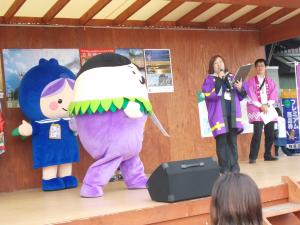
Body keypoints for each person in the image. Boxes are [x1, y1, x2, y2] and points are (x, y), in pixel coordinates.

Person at [202, 55, 247, 174]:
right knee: (222, 142)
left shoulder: (232, 77)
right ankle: (224, 167)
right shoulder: (209, 80)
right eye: (216, 63)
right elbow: (209, 95)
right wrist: (220, 80)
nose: (219, 64)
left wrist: (240, 87)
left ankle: (234, 167)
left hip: (232, 114)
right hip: (218, 115)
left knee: (232, 141)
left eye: (220, 62)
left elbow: (242, 95)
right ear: (212, 67)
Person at [247, 59, 278, 163]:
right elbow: (251, 96)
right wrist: (261, 106)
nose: (260, 68)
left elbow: (274, 94)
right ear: (256, 68)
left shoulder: (270, 81)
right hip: (257, 109)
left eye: (262, 66)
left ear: (265, 68)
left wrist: (267, 105)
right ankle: (253, 157)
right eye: (258, 66)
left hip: (268, 108)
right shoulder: (251, 81)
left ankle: (268, 155)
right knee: (257, 134)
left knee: (270, 134)